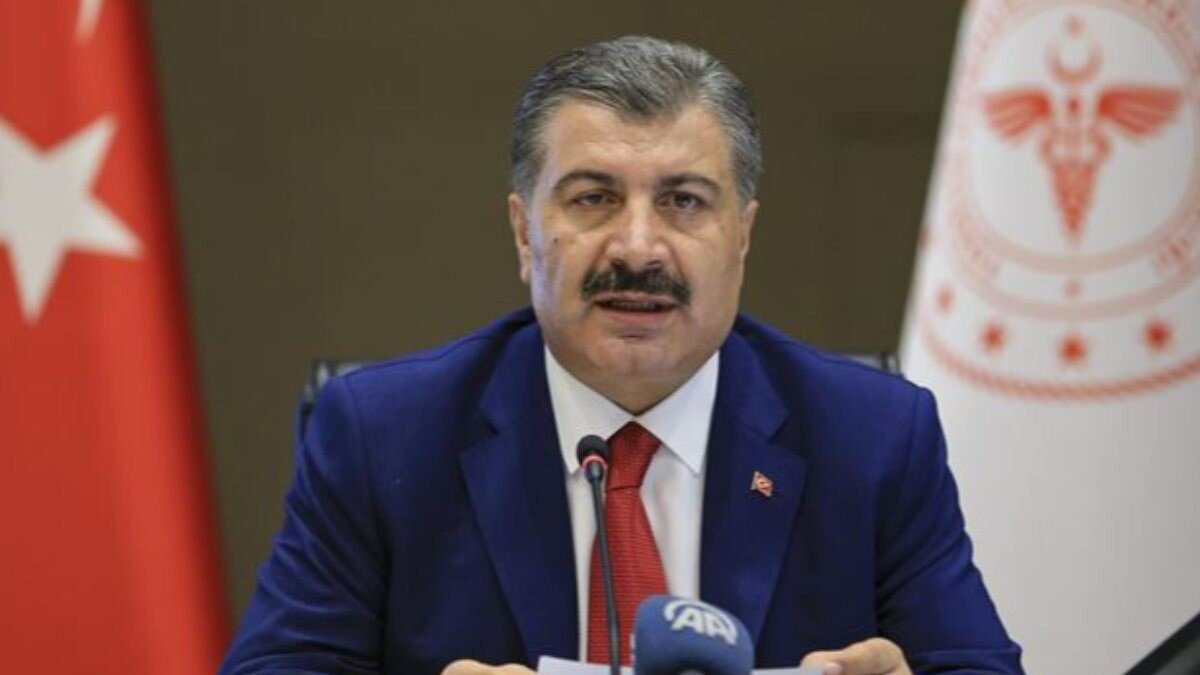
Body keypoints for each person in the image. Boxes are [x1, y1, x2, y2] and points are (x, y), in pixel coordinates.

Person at [221, 36, 1023, 675]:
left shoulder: (873, 436)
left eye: (683, 201)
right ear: (524, 232)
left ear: (742, 233)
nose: (638, 247)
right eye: (594, 197)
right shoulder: (383, 435)